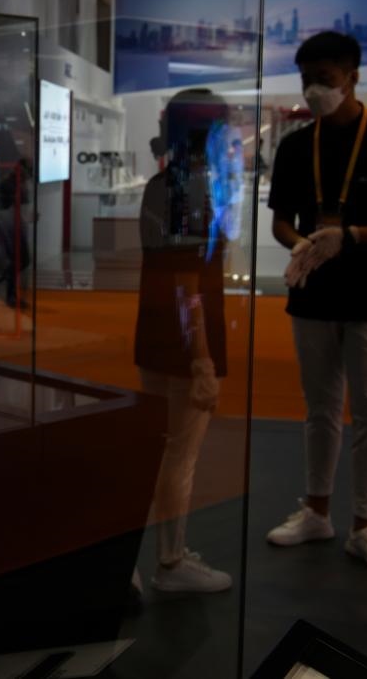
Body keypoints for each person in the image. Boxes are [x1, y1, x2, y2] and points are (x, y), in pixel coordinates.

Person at [266, 32, 367, 576]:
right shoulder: (294, 146)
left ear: (352, 77)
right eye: (307, 80)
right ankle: (316, 512)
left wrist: (351, 236)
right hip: (312, 294)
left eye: (325, 80)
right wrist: (300, 245)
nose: (314, 90)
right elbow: (280, 221)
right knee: (320, 409)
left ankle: (365, 527)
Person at [134, 89, 242, 593]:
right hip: (184, 345)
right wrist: (201, 360)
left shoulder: (162, 182)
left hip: (156, 336)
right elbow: (187, 283)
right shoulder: (193, 186)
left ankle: (147, 561)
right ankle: (171, 563)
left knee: (159, 452)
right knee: (179, 457)